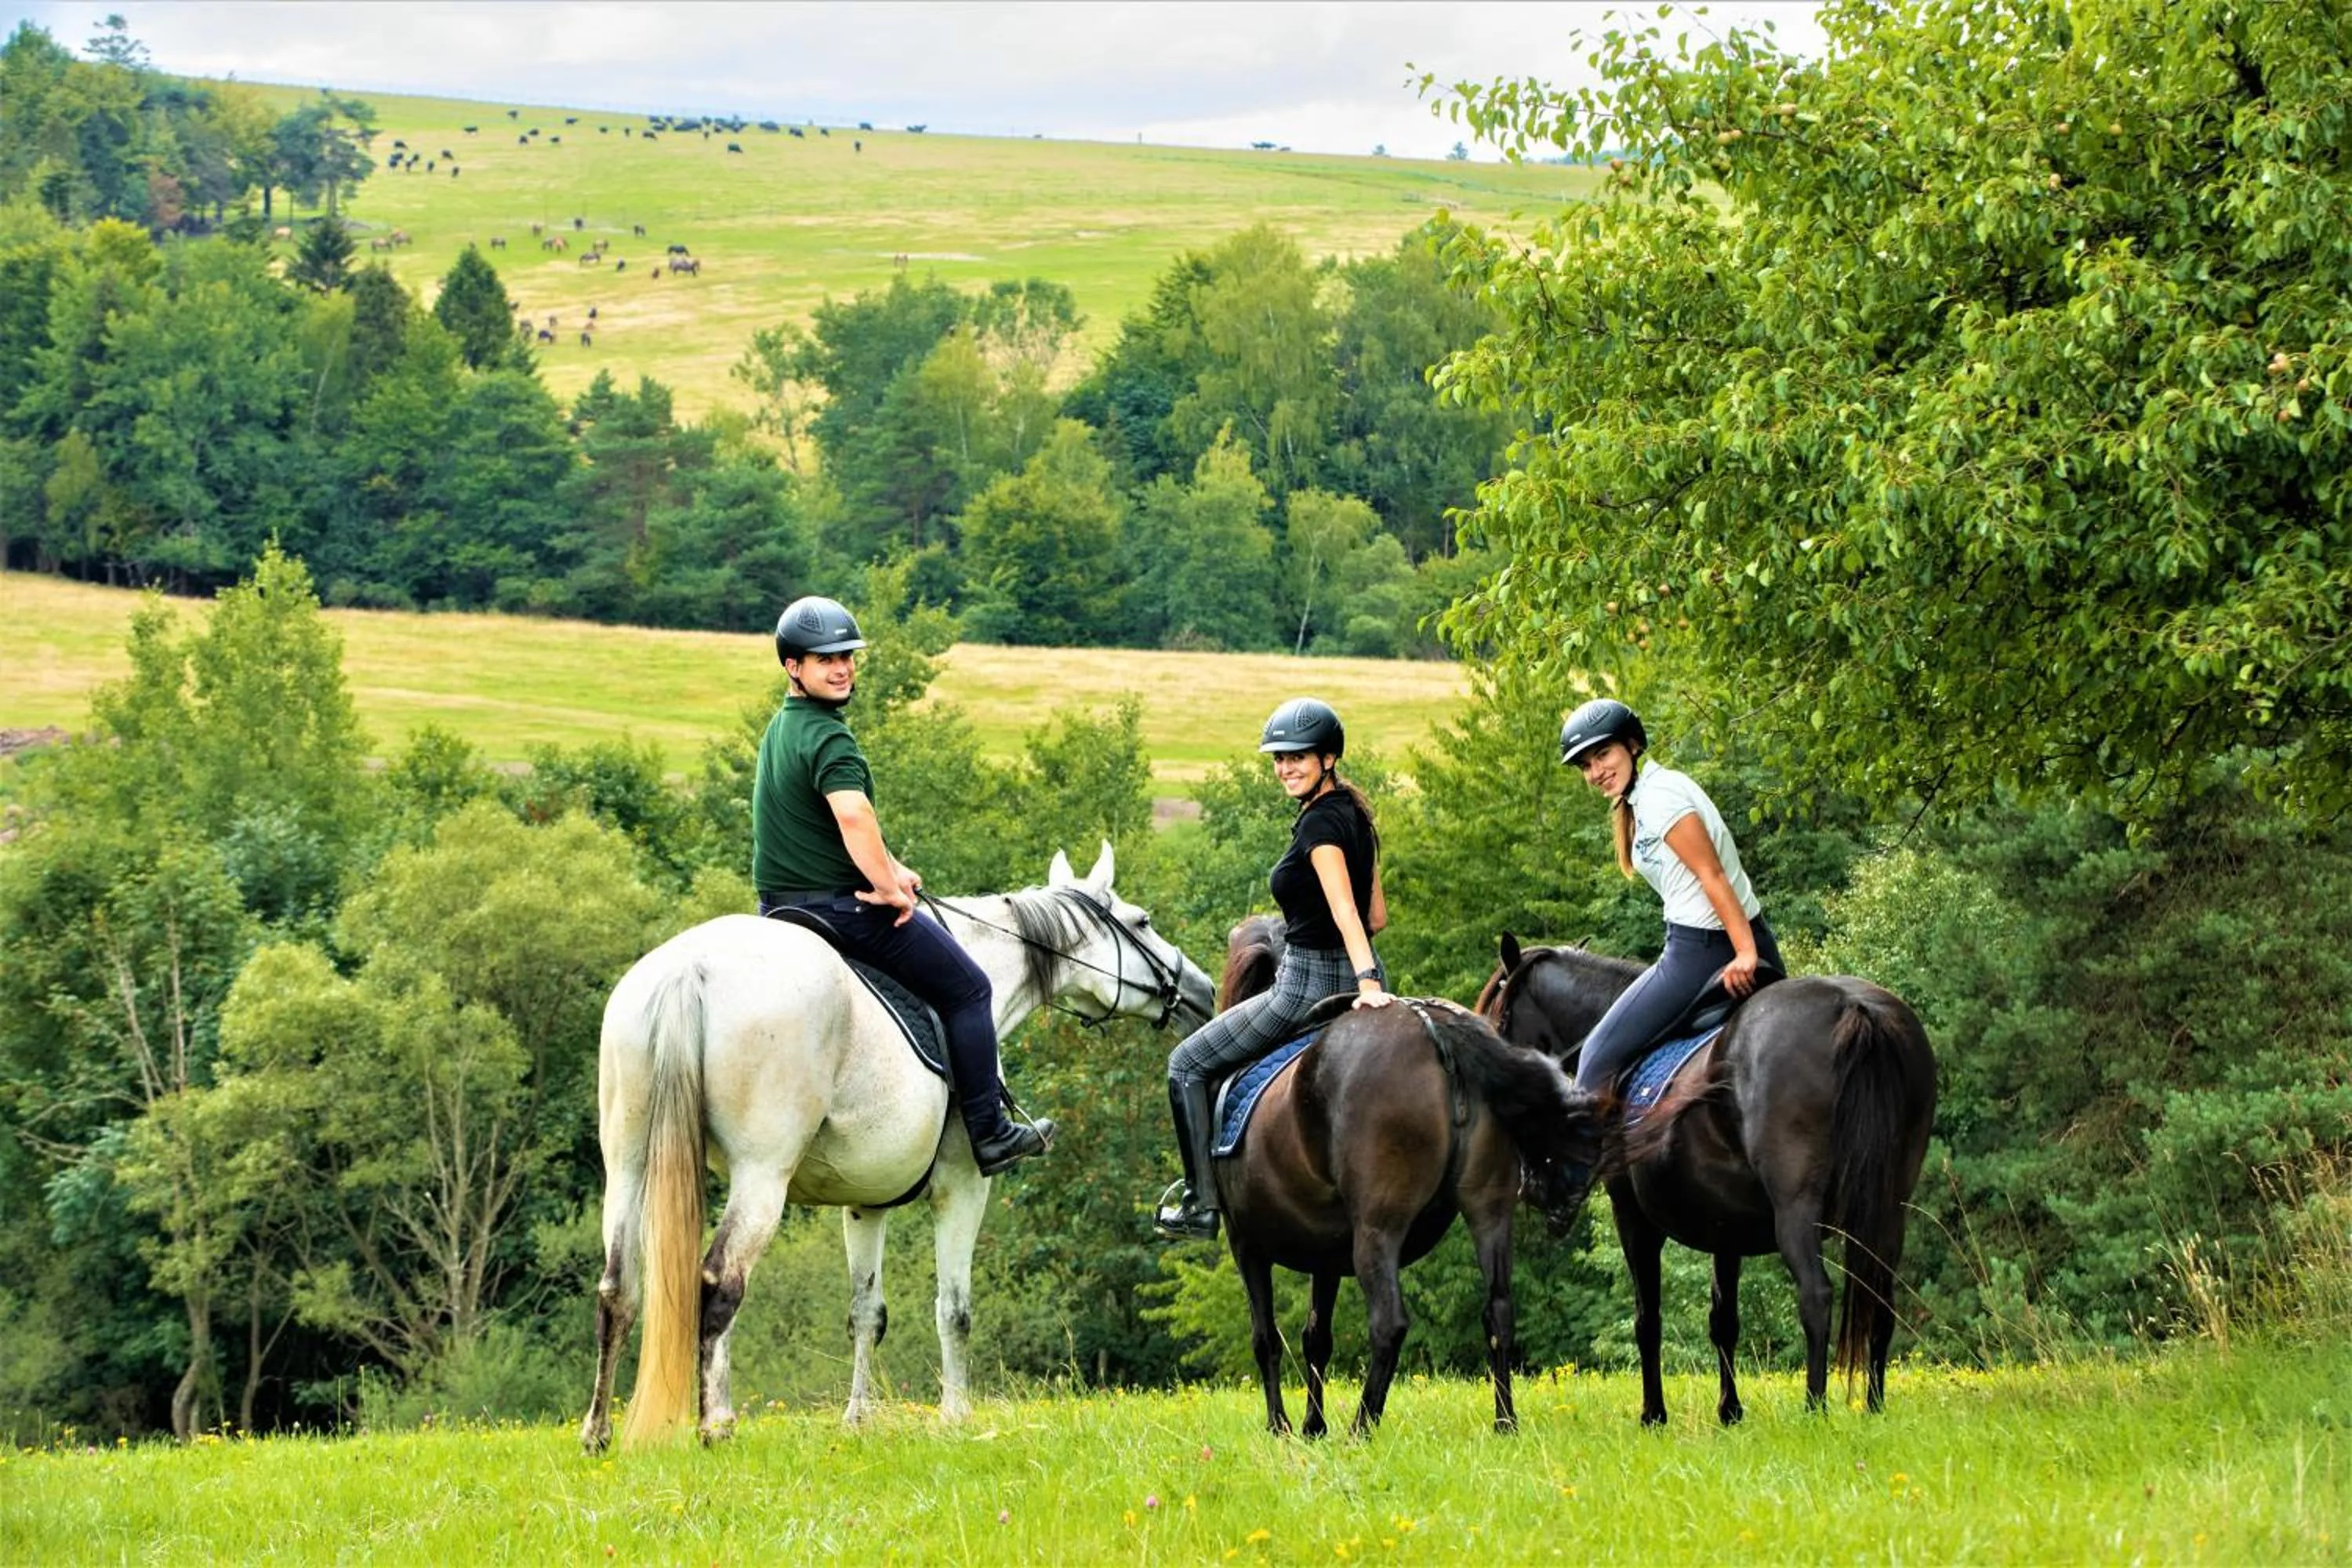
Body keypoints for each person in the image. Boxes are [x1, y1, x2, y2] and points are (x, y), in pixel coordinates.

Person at [752, 595, 1053, 1176]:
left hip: (779, 908)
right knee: (969, 991)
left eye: (847, 657)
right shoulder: (832, 739)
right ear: (793, 666)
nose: (842, 668)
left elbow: (825, 820)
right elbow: (853, 818)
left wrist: (891, 867)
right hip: (840, 911)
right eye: (824, 660)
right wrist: (888, 891)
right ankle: (990, 1134)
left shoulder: (783, 727)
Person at [1152, 698, 1389, 1240]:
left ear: (1328, 758)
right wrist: (1370, 973)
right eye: (1278, 759)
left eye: (1297, 758)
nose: (1285, 768)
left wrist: (1367, 986)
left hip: (1305, 990)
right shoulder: (1357, 815)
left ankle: (1200, 1203)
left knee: (1186, 1064)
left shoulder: (1320, 828)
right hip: (1358, 971)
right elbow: (1379, 915)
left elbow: (1348, 910)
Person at [1554, 698, 1782, 1192]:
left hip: (1705, 950)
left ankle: (1568, 1186)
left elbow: (1712, 875)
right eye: (1586, 765)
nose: (1596, 772)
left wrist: (1746, 955)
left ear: (1632, 745)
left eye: (1604, 755)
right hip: (1721, 939)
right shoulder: (1645, 796)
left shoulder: (1660, 799)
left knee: (1594, 1056)